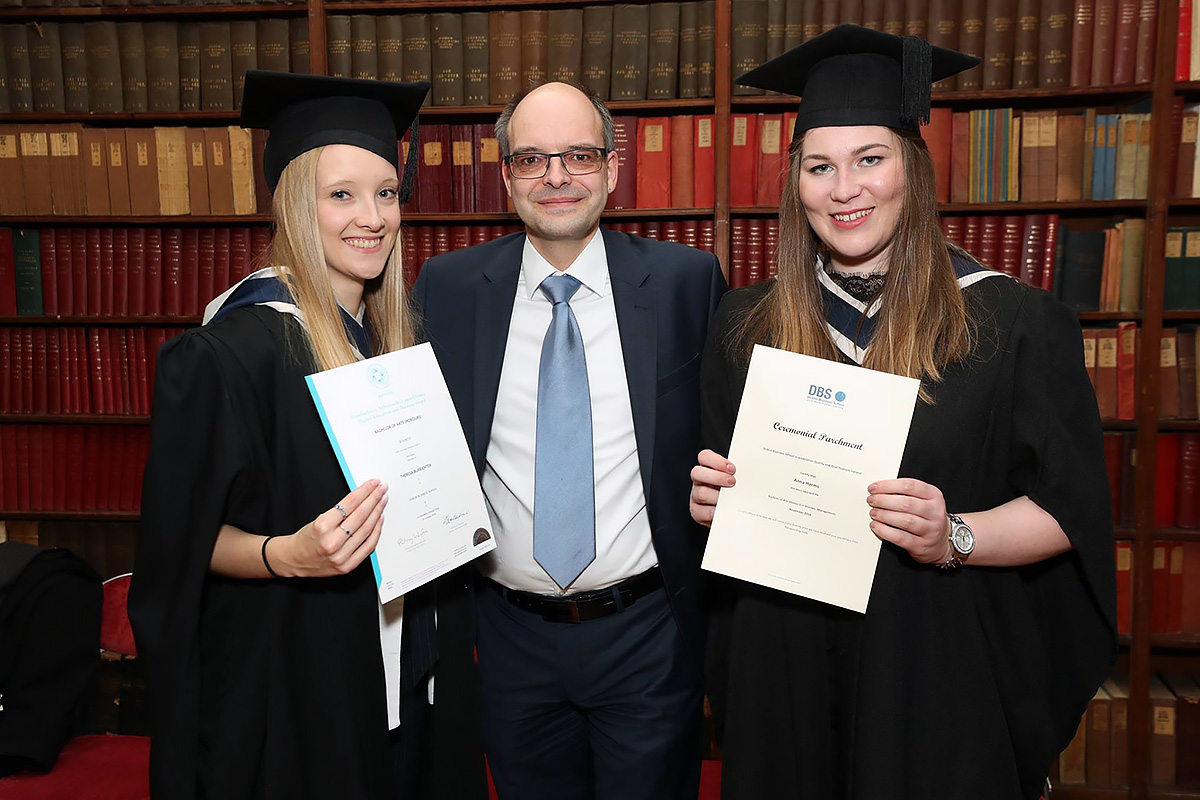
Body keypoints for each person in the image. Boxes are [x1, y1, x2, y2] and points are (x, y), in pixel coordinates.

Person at [688, 26, 1117, 800]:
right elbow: (727, 490)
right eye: (820, 166)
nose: (844, 189)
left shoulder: (1012, 323)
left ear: (912, 169)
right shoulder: (744, 325)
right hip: (784, 670)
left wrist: (953, 535)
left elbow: (1068, 509)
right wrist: (714, 500)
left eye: (869, 159)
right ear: (797, 185)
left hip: (936, 674)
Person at [129, 71, 487, 800]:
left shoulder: (392, 348)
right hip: (303, 694)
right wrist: (286, 555)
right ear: (295, 204)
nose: (372, 217)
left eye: (386, 193)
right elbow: (177, 549)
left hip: (408, 683)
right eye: (341, 195)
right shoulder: (231, 354)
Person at [411, 81, 727, 799]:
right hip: (508, 637)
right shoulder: (449, 288)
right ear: (506, 176)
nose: (556, 177)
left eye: (579, 155)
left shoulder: (686, 282)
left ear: (613, 167)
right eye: (532, 159)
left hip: (648, 633)